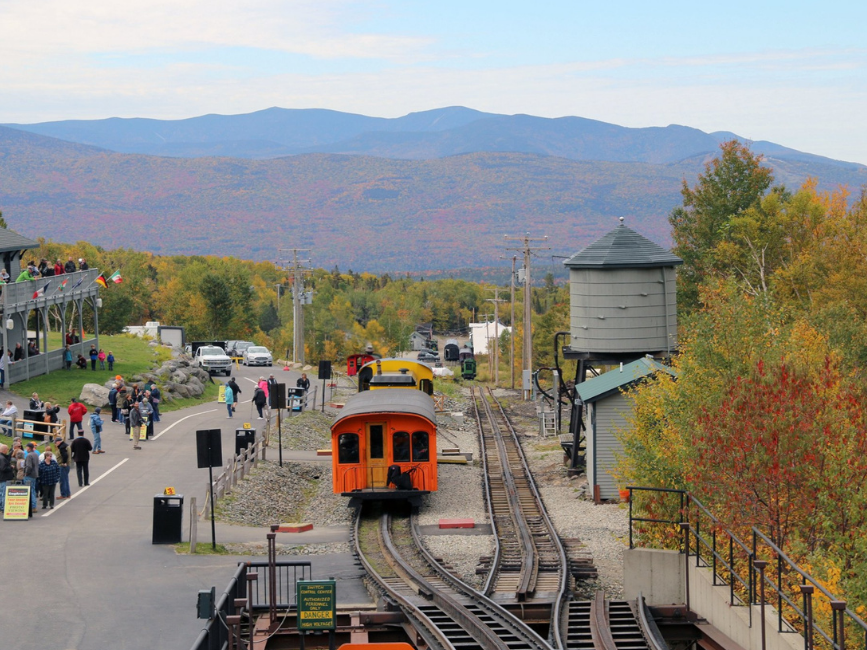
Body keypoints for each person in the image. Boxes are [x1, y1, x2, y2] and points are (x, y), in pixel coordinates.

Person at [23, 441, 39, 515]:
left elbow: (29, 466)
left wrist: (26, 473)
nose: (26, 448)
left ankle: (33, 506)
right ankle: (34, 506)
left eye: (27, 447)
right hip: (35, 474)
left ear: (29, 448)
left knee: (30, 491)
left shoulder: (29, 455)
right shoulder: (35, 454)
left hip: (29, 475)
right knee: (33, 490)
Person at [0, 444, 13, 511]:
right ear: (4, 450)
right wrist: (10, 467)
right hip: (4, 478)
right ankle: (3, 507)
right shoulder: (2, 458)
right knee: (3, 493)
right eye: (7, 449)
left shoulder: (2, 457)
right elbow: (3, 468)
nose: (7, 451)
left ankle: (1, 506)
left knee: (1, 493)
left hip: (2, 478)